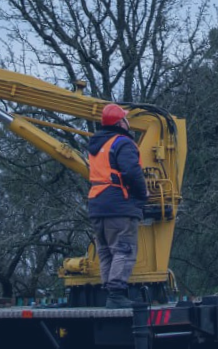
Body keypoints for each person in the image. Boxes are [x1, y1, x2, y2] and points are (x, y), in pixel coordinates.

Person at [86, 103, 149, 309]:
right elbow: (131, 171)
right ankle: (117, 294)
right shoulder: (123, 142)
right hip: (119, 205)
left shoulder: (96, 145)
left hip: (97, 204)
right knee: (123, 249)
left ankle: (110, 292)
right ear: (120, 122)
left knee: (105, 251)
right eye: (125, 118)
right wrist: (142, 195)